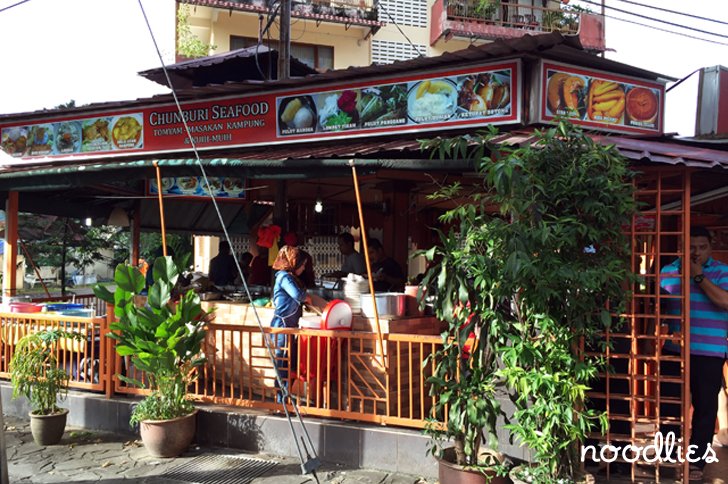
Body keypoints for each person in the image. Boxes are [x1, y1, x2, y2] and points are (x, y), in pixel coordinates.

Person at [659, 226, 728, 480]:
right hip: (673, 348)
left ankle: (697, 462)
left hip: (709, 351)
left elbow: (725, 302)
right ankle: (667, 459)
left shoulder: (722, 271)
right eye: (691, 247)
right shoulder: (667, 271)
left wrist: (698, 276)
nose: (696, 252)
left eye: (702, 247)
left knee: (705, 407)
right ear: (681, 246)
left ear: (710, 247)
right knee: (668, 404)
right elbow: (660, 308)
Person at [270, 245, 312, 402]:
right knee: (282, 363)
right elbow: (297, 295)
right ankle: (281, 401)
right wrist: (306, 298)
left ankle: (285, 398)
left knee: (288, 364)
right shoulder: (284, 277)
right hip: (282, 327)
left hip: (289, 328)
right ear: (293, 263)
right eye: (302, 265)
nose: (303, 268)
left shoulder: (289, 277)